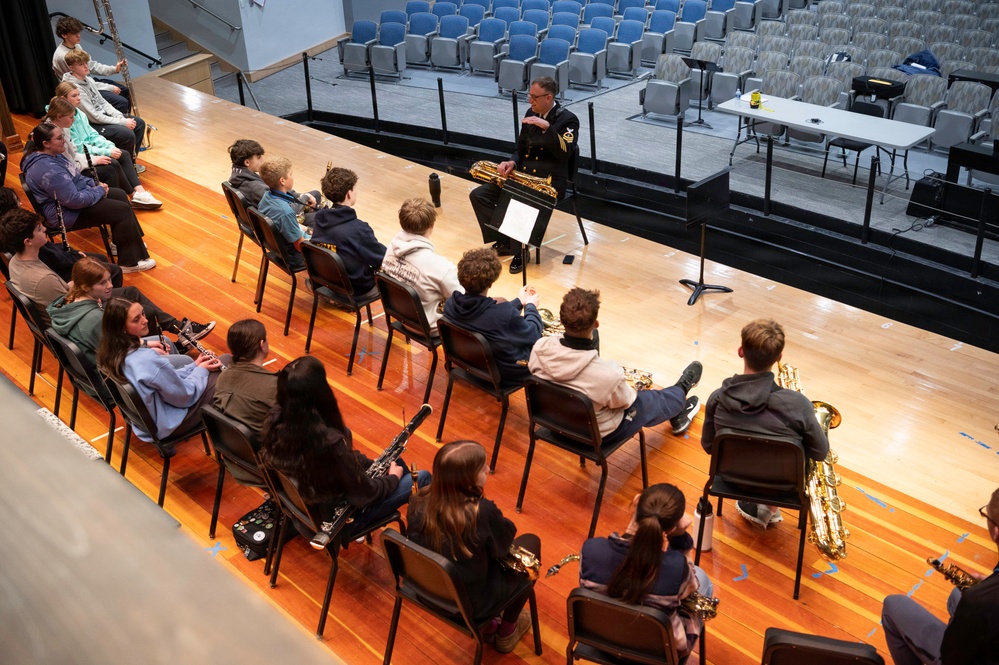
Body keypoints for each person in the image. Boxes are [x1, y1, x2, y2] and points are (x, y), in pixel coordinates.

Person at [260, 356, 430, 537]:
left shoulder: (274, 421)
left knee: (397, 462)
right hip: (338, 522)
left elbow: (340, 461)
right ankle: (422, 540)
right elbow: (364, 495)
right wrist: (393, 478)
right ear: (320, 391)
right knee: (422, 477)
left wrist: (369, 464)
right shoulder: (328, 444)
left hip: (305, 513)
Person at [408, 440, 540, 653]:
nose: (488, 469)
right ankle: (506, 632)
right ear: (467, 479)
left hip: (427, 590)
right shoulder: (482, 512)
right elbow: (502, 546)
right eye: (483, 468)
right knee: (532, 543)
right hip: (470, 606)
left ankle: (490, 627)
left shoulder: (418, 499)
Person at [700, 319, 829, 529]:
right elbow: (820, 453)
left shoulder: (717, 399)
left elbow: (708, 446)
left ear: (741, 351)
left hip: (731, 480)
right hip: (784, 488)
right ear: (779, 357)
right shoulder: (798, 405)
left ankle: (762, 508)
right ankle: (768, 507)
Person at [529, 287, 702, 442]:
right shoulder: (609, 374)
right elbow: (627, 402)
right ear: (596, 325)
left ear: (562, 320)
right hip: (593, 435)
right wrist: (629, 388)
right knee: (648, 400)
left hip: (553, 425)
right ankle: (681, 392)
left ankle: (678, 409)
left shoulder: (539, 348)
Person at [580, 483, 714, 663]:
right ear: (673, 528)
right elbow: (691, 588)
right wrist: (681, 537)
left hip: (599, 639)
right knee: (702, 578)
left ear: (636, 503)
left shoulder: (591, 550)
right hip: (660, 653)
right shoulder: (676, 568)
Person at [468, 76, 579, 274]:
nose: (530, 101)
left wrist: (548, 129)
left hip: (550, 182)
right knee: (479, 195)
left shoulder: (568, 120)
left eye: (534, 97)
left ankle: (520, 251)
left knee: (516, 199)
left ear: (549, 97)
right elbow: (520, 149)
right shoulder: (531, 112)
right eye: (529, 96)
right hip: (523, 177)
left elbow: (566, 153)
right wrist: (512, 162)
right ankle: (505, 242)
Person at [881, 488, 999, 665]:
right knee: (956, 595)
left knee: (893, 605)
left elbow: (952, 657)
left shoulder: (977, 602)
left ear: (996, 531)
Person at [21, 122, 154, 272]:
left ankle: (125, 243)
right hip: (65, 214)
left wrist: (95, 184)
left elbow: (76, 177)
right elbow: (74, 201)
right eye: (59, 138)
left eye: (62, 136)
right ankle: (129, 262)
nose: (64, 140)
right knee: (121, 210)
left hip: (72, 200)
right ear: (46, 144)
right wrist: (97, 191)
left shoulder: (54, 155)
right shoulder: (48, 170)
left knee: (119, 194)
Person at [97, 298, 228, 443]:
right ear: (122, 328)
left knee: (215, 368)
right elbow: (184, 396)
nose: (145, 320)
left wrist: (195, 366)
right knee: (227, 364)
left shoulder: (110, 352)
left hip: (147, 422)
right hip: (171, 424)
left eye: (143, 314)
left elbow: (167, 380)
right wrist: (201, 370)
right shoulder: (146, 359)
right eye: (136, 320)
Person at [48, 257, 214, 365]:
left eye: (109, 280)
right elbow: (117, 357)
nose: (110, 286)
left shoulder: (66, 303)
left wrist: (145, 343)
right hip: (115, 375)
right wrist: (146, 349)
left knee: (165, 342)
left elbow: (113, 344)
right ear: (85, 287)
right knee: (187, 361)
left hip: (111, 357)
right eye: (103, 283)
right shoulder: (95, 320)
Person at [442, 248, 542, 388]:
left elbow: (491, 314)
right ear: (490, 283)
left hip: (470, 365)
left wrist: (519, 301)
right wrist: (531, 307)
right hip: (504, 374)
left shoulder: (451, 304)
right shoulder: (503, 315)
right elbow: (533, 334)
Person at [47, 90, 161, 209]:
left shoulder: (70, 120)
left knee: (123, 154)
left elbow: (90, 136)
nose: (73, 120)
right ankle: (125, 202)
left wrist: (109, 147)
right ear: (60, 116)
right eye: (74, 95)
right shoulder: (58, 135)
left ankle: (137, 195)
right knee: (112, 164)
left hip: (84, 158)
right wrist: (97, 158)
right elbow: (72, 161)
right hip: (78, 170)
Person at [0, 195, 122, 290]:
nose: (44, 229)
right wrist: (76, 257)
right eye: (39, 228)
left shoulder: (16, 249)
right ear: (28, 241)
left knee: (101, 262)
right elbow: (55, 260)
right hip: (61, 278)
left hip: (55, 271)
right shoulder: (44, 278)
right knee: (113, 270)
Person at [381, 197, 463, 331]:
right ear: (432, 226)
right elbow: (463, 299)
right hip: (429, 327)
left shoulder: (391, 248)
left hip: (400, 316)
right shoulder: (441, 267)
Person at [310, 167, 386, 298]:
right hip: (356, 289)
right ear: (349, 194)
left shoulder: (319, 218)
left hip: (328, 281)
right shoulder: (358, 229)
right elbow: (383, 258)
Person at [62, 49, 145, 158]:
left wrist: (119, 116)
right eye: (81, 64)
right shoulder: (75, 88)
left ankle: (131, 161)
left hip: (102, 117)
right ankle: (125, 164)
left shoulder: (88, 79)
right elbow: (94, 117)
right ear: (71, 68)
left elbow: (103, 102)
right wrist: (122, 122)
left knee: (139, 123)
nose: (86, 66)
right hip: (93, 124)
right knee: (127, 134)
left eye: (86, 63)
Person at [51, 15, 130, 114]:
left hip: (88, 81)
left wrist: (115, 69)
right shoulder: (62, 56)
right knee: (121, 102)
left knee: (125, 91)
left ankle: (127, 120)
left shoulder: (76, 46)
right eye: (74, 33)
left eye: (78, 32)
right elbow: (77, 82)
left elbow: (91, 66)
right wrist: (109, 87)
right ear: (64, 35)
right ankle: (118, 125)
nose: (78, 36)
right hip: (81, 89)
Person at [213, 319, 278, 436]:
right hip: (265, 449)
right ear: (262, 345)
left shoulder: (222, 377)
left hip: (234, 446)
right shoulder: (274, 386)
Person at [227, 139, 319, 221]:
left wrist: (301, 196)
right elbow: (287, 208)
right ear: (247, 162)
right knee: (319, 215)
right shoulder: (256, 188)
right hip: (281, 222)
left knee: (314, 195)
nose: (263, 159)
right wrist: (305, 197)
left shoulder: (238, 176)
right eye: (258, 157)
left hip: (268, 218)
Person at [257, 156, 308, 271]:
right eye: (291, 174)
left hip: (278, 248)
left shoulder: (266, 197)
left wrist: (307, 230)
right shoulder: (285, 212)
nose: (293, 177)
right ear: (282, 180)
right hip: (294, 257)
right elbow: (300, 247)